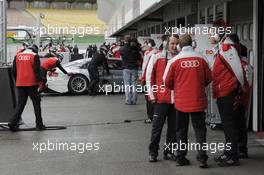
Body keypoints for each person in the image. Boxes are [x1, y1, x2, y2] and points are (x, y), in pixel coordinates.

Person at [163, 34, 212, 168]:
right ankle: (202, 158)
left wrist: (177, 87)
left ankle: (180, 157)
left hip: (181, 103)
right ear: (193, 44)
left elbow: (166, 81)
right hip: (198, 101)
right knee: (200, 130)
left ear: (179, 46)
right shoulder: (201, 58)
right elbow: (209, 78)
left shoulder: (174, 61)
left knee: (181, 130)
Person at [209, 20, 247, 166]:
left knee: (229, 125)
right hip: (223, 91)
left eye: (212, 33)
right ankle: (229, 152)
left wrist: (241, 88)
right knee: (227, 125)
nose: (210, 36)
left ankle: (233, 156)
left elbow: (237, 69)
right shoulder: (222, 47)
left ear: (219, 33)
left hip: (227, 92)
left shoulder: (226, 48)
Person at [146, 35, 179, 162]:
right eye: (172, 44)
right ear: (167, 44)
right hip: (160, 100)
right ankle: (153, 152)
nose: (174, 46)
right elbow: (149, 77)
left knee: (174, 129)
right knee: (156, 128)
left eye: (176, 44)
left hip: (176, 100)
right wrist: (152, 95)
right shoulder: (157, 56)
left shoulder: (179, 57)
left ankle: (169, 151)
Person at [9, 44, 46, 131]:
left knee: (20, 104)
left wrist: (17, 81)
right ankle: (39, 124)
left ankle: (13, 123)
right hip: (32, 84)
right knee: (36, 103)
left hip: (20, 84)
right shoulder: (34, 56)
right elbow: (37, 71)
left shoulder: (17, 56)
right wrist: (40, 83)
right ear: (35, 50)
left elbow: (13, 71)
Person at [228, 34, 253, 159]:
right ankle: (237, 147)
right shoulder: (236, 63)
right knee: (235, 124)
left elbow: (247, 84)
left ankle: (242, 148)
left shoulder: (244, 64)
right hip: (234, 97)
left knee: (240, 124)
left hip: (241, 98)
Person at [120, 35, 141, 105]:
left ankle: (128, 100)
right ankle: (134, 100)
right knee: (134, 85)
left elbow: (121, 56)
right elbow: (138, 57)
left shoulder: (122, 49)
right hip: (134, 68)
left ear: (124, 40)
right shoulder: (135, 49)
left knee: (127, 85)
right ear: (130, 40)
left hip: (126, 68)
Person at [141, 39, 157, 124]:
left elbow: (148, 69)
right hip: (150, 78)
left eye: (145, 45)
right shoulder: (148, 53)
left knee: (149, 99)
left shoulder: (152, 54)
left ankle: (151, 117)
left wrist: (143, 79)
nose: (143, 47)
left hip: (149, 79)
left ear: (149, 45)